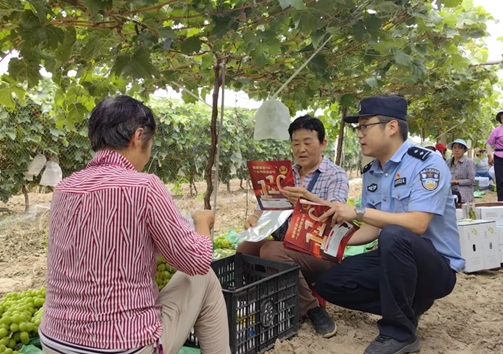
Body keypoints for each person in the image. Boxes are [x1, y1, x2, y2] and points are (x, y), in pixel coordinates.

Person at [39, 96, 230, 354]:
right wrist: (201, 222)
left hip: (54, 343)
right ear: (138, 137)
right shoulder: (145, 187)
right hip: (122, 347)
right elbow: (196, 260)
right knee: (205, 277)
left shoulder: (64, 188)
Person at [309, 95, 464, 354]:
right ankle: (407, 310)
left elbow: (417, 224)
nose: (359, 134)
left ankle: (399, 332)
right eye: (358, 128)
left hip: (435, 267)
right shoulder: (373, 171)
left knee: (395, 233)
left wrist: (358, 211)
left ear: (391, 127)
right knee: (330, 282)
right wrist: (327, 239)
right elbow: (373, 229)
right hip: (394, 259)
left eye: (364, 126)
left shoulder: (427, 163)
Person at [237, 115, 349, 338]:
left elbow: (337, 215)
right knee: (245, 248)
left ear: (323, 143)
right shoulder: (287, 174)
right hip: (289, 242)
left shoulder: (335, 175)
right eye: (296, 143)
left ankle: (312, 309)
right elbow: (267, 205)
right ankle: (264, 299)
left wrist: (305, 199)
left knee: (270, 250)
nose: (301, 149)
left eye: (308, 142)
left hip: (320, 251)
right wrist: (255, 216)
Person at [446, 138, 475, 203]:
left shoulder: (469, 162)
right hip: (449, 190)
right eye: (455, 148)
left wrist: (457, 181)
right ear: (452, 149)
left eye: (460, 148)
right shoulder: (448, 162)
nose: (457, 150)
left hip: (463, 192)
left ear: (464, 150)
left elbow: (471, 181)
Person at [487, 110, 503, 201]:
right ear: (500, 120)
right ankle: (501, 201)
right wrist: (490, 156)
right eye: (502, 118)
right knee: (500, 180)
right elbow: (489, 143)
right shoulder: (496, 131)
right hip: (499, 157)